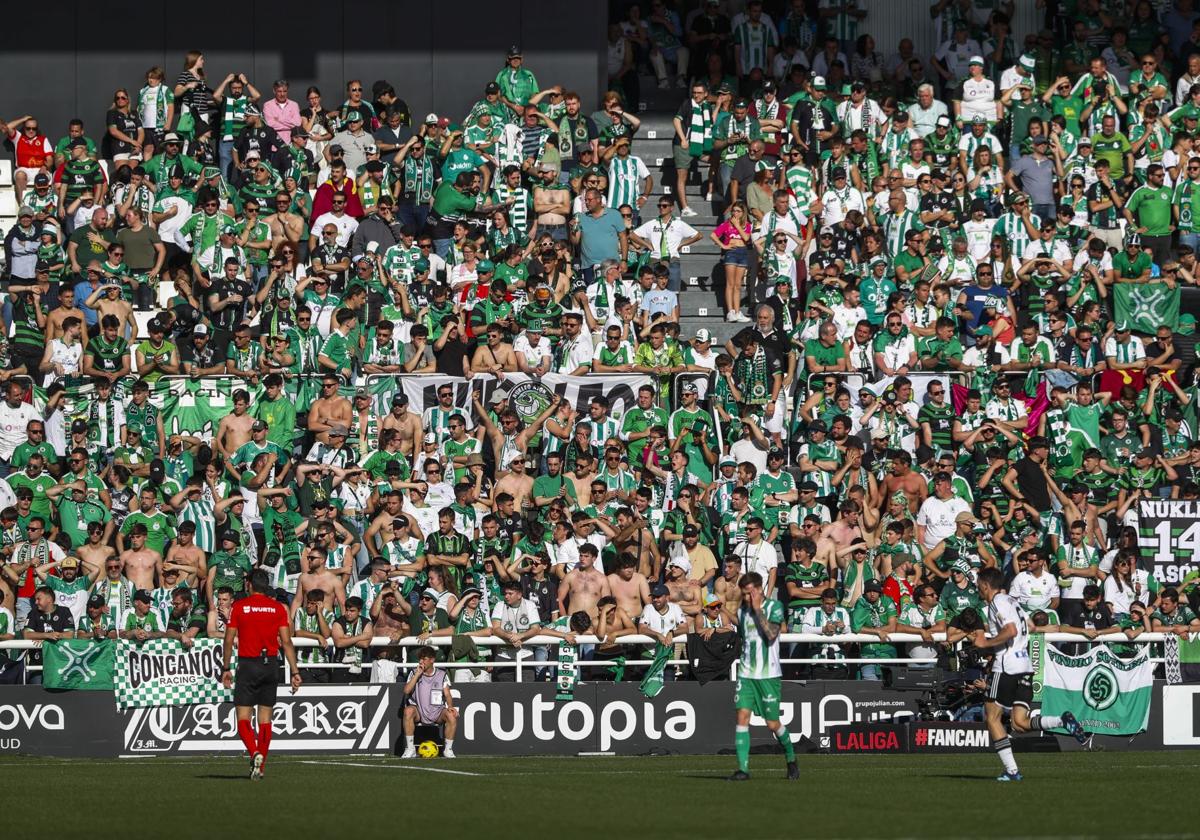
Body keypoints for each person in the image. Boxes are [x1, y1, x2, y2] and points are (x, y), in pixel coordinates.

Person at [973, 567, 1088, 781]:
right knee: (1019, 723)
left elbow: (1011, 631)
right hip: (1025, 665)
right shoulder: (1013, 602)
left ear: (986, 585)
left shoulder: (997, 602)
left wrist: (986, 643)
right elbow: (1031, 626)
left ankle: (1012, 771)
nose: (977, 587)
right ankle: (1061, 721)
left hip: (1006, 667)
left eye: (979, 583)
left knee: (992, 718)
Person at [220, 568, 302, 781]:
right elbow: (286, 642)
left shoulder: (240, 606)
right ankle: (261, 765)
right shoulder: (277, 608)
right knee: (265, 719)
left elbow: (228, 640)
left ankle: (254, 751)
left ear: (249, 585)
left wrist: (226, 667)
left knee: (243, 718)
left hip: (248, 664)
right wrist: (294, 671)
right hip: (270, 665)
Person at [729, 571, 798, 782]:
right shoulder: (742, 612)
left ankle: (791, 758)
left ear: (759, 590)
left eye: (749, 593)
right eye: (744, 594)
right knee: (742, 717)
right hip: (746, 674)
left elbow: (771, 634)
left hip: (769, 675)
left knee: (772, 724)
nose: (747, 598)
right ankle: (743, 769)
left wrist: (758, 610)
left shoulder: (774, 607)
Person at [400, 645, 459, 759]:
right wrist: (417, 674)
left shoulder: (442, 674)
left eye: (424, 659)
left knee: (451, 715)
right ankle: (410, 749)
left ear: (432, 660)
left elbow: (447, 694)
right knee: (408, 711)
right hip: (419, 711)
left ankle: (448, 750)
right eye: (420, 659)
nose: (421, 661)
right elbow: (406, 690)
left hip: (437, 712)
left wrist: (450, 706)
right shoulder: (414, 673)